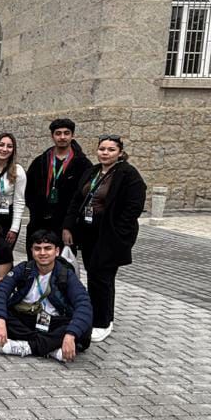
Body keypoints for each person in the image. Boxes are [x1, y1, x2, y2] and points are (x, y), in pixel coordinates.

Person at [63, 135, 146, 342]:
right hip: (89, 233)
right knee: (93, 275)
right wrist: (68, 226)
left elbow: (133, 207)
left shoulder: (128, 174)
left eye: (110, 150)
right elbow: (77, 200)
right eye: (102, 149)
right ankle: (94, 314)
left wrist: (118, 231)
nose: (105, 153)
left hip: (110, 235)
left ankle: (103, 322)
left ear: (120, 152)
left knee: (103, 277)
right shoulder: (93, 171)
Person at [0, 229, 92, 362]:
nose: (42, 253)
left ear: (57, 251)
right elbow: (1, 291)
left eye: (48, 248)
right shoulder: (24, 269)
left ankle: (28, 347)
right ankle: (51, 349)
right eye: (37, 249)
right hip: (27, 318)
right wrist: (0, 321)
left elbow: (84, 304)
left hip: (53, 321)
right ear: (32, 251)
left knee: (83, 327)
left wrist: (70, 335)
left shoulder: (66, 274)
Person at [24, 118, 92, 257]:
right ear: (52, 136)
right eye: (58, 133)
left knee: (63, 264)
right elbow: (28, 190)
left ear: (72, 135)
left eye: (66, 133)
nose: (62, 137)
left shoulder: (83, 164)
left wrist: (71, 224)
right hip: (39, 223)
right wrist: (36, 210)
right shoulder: (40, 161)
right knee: (37, 260)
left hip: (66, 225)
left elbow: (84, 197)